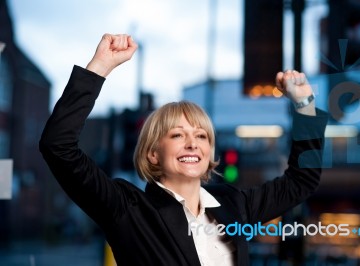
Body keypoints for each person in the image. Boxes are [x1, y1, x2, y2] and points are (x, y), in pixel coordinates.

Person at [39, 34, 328, 266]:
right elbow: (58, 145)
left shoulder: (232, 205)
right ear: (153, 153)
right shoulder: (128, 209)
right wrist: (99, 67)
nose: (193, 143)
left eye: (201, 136)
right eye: (178, 135)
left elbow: (302, 180)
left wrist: (305, 106)